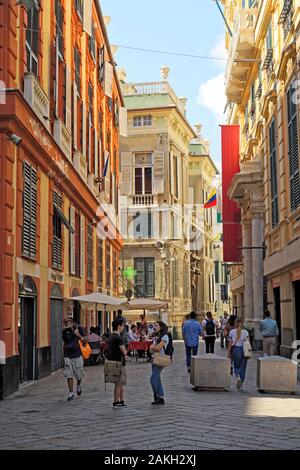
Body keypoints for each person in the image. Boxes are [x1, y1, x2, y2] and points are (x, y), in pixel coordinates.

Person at [107, 318, 130, 408]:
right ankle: (116, 402)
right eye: (123, 325)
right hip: (119, 363)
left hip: (114, 361)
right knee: (118, 383)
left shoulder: (112, 336)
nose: (123, 327)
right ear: (119, 326)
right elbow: (124, 351)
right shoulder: (118, 338)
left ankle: (121, 400)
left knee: (120, 383)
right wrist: (126, 353)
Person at [62, 316, 87, 401]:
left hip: (77, 355)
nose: (65, 324)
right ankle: (71, 393)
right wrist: (67, 330)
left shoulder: (79, 328)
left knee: (79, 375)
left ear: (72, 322)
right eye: (64, 322)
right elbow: (66, 340)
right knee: (69, 374)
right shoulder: (64, 331)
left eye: (67, 322)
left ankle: (78, 385)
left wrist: (78, 335)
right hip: (67, 355)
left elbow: (85, 341)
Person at [149, 321, 169, 405]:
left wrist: (153, 347)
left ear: (161, 327)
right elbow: (152, 348)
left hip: (160, 359)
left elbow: (157, 348)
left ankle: (156, 395)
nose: (154, 327)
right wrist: (153, 347)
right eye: (154, 325)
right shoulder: (158, 337)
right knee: (157, 379)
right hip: (155, 359)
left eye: (156, 325)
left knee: (152, 379)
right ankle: (160, 398)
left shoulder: (165, 336)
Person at [228, 318, 250, 390]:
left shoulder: (231, 332)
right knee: (243, 367)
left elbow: (230, 344)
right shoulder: (246, 332)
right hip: (244, 350)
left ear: (235, 323)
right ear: (242, 323)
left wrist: (229, 353)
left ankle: (238, 377)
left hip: (235, 349)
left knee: (236, 366)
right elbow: (247, 342)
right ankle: (241, 381)